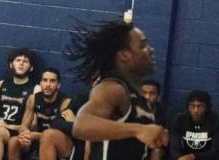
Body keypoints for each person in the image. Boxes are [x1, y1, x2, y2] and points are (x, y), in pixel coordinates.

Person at [67, 19, 168, 160]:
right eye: (143, 45)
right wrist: (139, 130)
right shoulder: (113, 88)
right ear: (124, 55)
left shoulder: (136, 94)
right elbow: (81, 125)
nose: (150, 50)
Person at [18, 67, 74, 160]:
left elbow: (58, 132)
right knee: (13, 142)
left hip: (61, 141)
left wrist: (34, 135)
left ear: (58, 85)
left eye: (52, 81)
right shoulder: (33, 99)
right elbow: (23, 126)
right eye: (45, 80)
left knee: (49, 135)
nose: (48, 84)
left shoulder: (65, 101)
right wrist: (25, 134)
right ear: (40, 83)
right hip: (38, 137)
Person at [170, 90, 219, 160]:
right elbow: (174, 148)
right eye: (192, 106)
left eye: (200, 106)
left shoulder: (217, 121)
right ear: (188, 107)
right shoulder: (179, 120)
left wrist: (194, 157)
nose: (196, 110)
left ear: (207, 107)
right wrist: (180, 158)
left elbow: (216, 151)